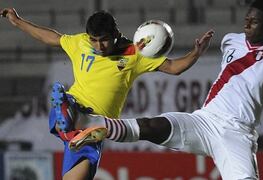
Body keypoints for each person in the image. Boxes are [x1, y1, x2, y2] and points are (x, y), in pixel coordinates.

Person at [65, 0, 263, 179]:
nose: (248, 24)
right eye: (247, 19)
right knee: (153, 126)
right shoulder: (232, 40)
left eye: (255, 21)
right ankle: (94, 124)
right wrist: (197, 52)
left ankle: (93, 122)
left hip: (237, 133)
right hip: (205, 120)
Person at [0, 8, 214, 180]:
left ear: (115, 34)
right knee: (66, 111)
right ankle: (71, 119)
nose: (98, 45)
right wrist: (17, 21)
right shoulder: (80, 42)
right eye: (94, 39)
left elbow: (174, 68)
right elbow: (51, 38)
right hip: (75, 105)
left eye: (103, 39)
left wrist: (196, 53)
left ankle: (74, 129)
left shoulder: (134, 53)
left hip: (97, 128)